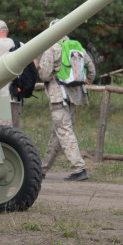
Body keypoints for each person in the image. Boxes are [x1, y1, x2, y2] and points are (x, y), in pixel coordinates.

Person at [38, 27, 96, 181]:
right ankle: (42, 169)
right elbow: (92, 71)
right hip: (75, 96)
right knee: (58, 134)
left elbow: (44, 75)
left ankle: (79, 169)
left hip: (58, 95)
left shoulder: (52, 48)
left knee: (64, 131)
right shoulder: (78, 48)